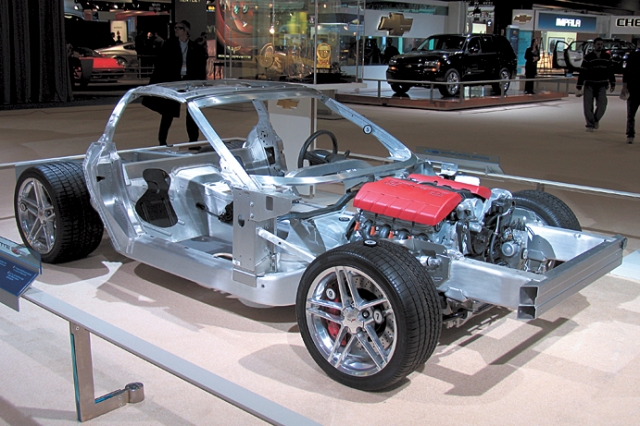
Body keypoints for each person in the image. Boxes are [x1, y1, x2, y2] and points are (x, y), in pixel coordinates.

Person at [143, 20, 207, 145]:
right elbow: (161, 64)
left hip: (189, 82)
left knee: (192, 112)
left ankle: (193, 141)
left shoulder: (195, 47)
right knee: (168, 112)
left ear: (186, 30)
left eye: (179, 28)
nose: (176, 30)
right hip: (173, 81)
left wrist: (200, 83)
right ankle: (162, 141)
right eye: (175, 28)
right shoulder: (169, 45)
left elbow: (199, 67)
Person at [576, 37, 616, 132]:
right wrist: (579, 85)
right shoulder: (588, 57)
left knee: (602, 104)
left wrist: (613, 82)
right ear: (594, 45)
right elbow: (583, 72)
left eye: (601, 44)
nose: (600, 46)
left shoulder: (607, 57)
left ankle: (595, 119)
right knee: (588, 105)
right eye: (598, 44)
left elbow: (610, 71)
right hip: (590, 84)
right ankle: (590, 124)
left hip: (602, 84)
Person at [621, 49, 640, 144]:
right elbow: (627, 71)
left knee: (631, 114)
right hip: (633, 88)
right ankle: (630, 134)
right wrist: (624, 86)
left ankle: (630, 134)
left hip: (633, 88)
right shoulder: (633, 56)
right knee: (631, 114)